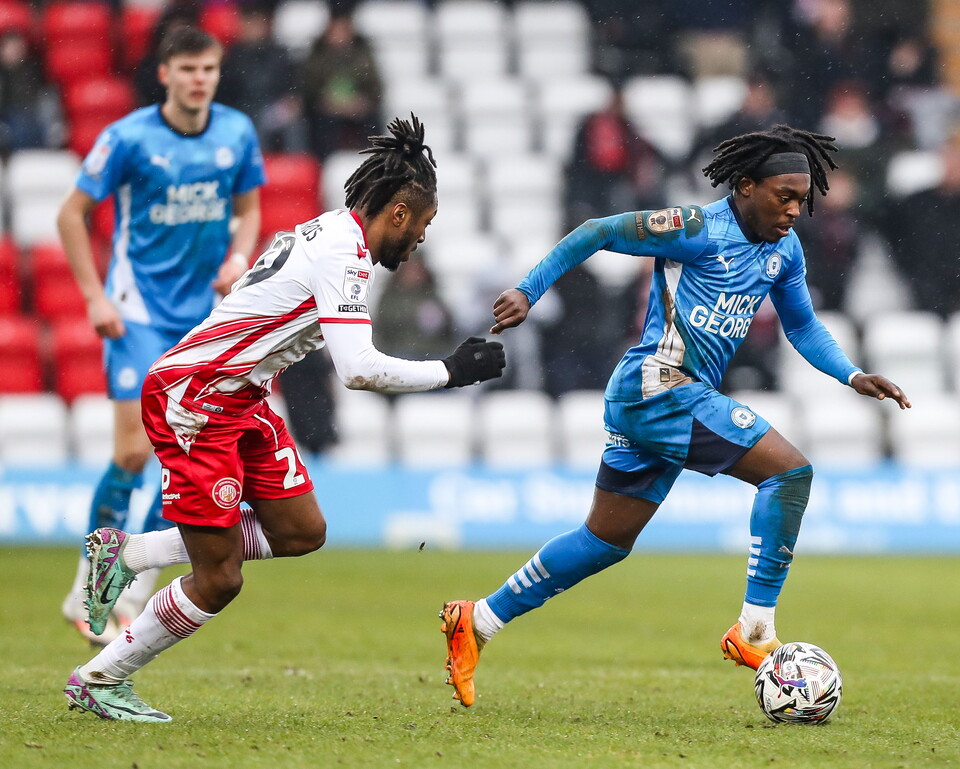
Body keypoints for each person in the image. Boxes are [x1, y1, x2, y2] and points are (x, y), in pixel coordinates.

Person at [438, 125, 911, 708]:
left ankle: (477, 620)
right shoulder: (695, 229)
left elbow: (803, 326)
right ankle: (755, 630)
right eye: (783, 196)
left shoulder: (783, 250)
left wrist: (850, 374)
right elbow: (598, 231)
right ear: (744, 185)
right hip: (658, 388)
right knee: (789, 473)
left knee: (604, 541)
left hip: (665, 399)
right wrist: (529, 291)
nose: (795, 210)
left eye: (802, 198)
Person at [62, 115, 506, 722]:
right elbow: (357, 369)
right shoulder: (343, 255)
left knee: (302, 530)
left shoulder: (328, 232)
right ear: (399, 212)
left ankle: (130, 553)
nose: (422, 239)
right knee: (218, 579)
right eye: (424, 223)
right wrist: (450, 372)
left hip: (240, 398)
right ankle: (100, 677)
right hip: (194, 402)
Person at [57, 26, 266, 646]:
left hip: (202, 321)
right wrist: (94, 296)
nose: (200, 78)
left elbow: (250, 209)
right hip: (137, 311)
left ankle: (132, 586)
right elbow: (70, 213)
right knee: (132, 451)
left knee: (182, 463)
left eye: (210, 68)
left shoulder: (237, 133)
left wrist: (238, 259)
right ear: (166, 74)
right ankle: (84, 582)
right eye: (189, 68)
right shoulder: (128, 138)